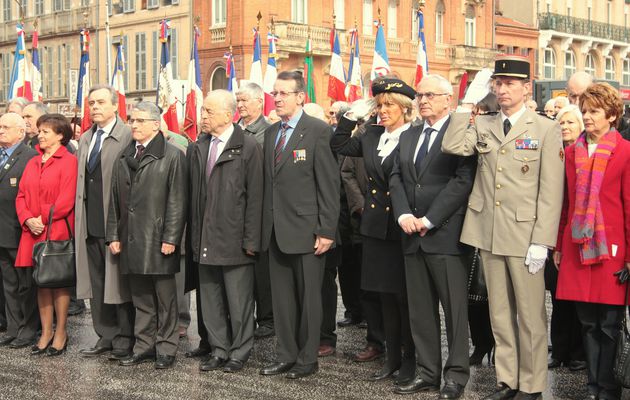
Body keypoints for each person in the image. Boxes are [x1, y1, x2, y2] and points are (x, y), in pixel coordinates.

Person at [442, 55, 565, 400]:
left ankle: (532, 384)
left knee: (529, 316)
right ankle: (508, 380)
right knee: (498, 313)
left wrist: (543, 240)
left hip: (525, 235)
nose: (503, 89)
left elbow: (551, 190)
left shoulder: (545, 128)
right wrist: (467, 102)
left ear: (527, 88)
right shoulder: (484, 123)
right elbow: (452, 145)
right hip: (488, 230)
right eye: (498, 83)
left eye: (510, 83)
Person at [388, 74, 476, 398]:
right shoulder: (410, 135)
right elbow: (396, 176)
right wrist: (403, 215)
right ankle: (427, 372)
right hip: (412, 235)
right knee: (421, 310)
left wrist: (430, 218)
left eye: (430, 95)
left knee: (454, 313)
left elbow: (462, 180)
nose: (422, 100)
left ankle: (456, 377)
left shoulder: (459, 134)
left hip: (446, 236)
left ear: (448, 100)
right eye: (420, 95)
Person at [331, 78, 416, 386]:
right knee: (384, 297)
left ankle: (410, 359)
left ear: (405, 109)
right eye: (379, 105)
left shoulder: (414, 136)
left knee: (404, 298)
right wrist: (351, 117)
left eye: (389, 105)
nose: (382, 111)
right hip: (376, 228)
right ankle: (391, 358)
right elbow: (338, 144)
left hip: (405, 228)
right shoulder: (372, 136)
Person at [259, 71, 339, 379]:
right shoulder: (270, 134)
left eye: (283, 93)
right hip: (276, 231)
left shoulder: (317, 130)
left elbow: (328, 184)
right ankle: (286, 354)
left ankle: (307, 359)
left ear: (300, 97)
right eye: (274, 93)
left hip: (308, 232)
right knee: (282, 302)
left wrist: (326, 230)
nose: (276, 99)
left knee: (309, 300)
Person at [555, 83, 630, 400]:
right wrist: (559, 244)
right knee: (587, 323)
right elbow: (566, 203)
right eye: (584, 111)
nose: (586, 117)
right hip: (577, 246)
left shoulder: (625, 152)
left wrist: (629, 255)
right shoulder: (572, 152)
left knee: (608, 325)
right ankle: (593, 386)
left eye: (593, 112)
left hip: (613, 249)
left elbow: (629, 205)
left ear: (611, 115)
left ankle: (608, 387)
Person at [106, 102, 187, 369]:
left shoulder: (172, 155)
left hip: (157, 237)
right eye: (132, 120)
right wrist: (113, 234)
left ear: (156, 124)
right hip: (131, 238)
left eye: (140, 120)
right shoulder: (124, 155)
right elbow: (115, 200)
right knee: (141, 298)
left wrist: (171, 238)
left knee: (165, 299)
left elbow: (177, 200)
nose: (134, 125)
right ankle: (144, 346)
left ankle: (166, 347)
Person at [188, 90, 263, 373]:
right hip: (205, 238)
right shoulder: (199, 146)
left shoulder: (248, 145)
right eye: (203, 110)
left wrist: (251, 240)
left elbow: (256, 197)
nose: (202, 116)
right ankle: (219, 349)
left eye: (208, 111)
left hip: (234, 240)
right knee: (210, 299)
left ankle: (239, 351)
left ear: (227, 115)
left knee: (239, 300)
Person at [74, 84, 135, 360]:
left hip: (116, 224)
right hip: (89, 222)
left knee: (118, 284)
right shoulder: (87, 138)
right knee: (97, 283)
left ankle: (125, 336)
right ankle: (105, 335)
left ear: (115, 106)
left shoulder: (126, 136)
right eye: (91, 103)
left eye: (100, 102)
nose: (94, 107)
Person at [16, 113, 78, 356]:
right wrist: (27, 219)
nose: (39, 135)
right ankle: (45, 332)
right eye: (39, 130)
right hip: (33, 231)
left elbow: (66, 198)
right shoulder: (33, 161)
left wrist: (40, 218)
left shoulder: (69, 161)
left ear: (60, 135)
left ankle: (61, 331)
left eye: (45, 131)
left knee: (58, 283)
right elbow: (21, 195)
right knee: (40, 282)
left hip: (56, 229)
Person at [545, 104, 586, 372]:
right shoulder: (552, 153)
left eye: (571, 122)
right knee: (558, 297)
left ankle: (578, 353)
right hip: (552, 230)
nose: (566, 127)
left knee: (579, 299)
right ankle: (558, 350)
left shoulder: (583, 154)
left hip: (576, 230)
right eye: (561, 122)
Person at [235, 82, 273, 338]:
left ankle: (268, 319)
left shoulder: (268, 132)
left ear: (260, 102)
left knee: (262, 269)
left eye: (245, 100)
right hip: (236, 205)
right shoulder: (235, 130)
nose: (240, 105)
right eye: (238, 101)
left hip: (260, 205)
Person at [0, 113, 39, 349]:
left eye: (5, 127)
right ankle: (14, 328)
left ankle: (29, 328)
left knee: (26, 284)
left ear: (20, 132)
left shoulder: (30, 157)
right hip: (2, 231)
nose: (1, 131)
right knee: (8, 284)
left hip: (20, 229)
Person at [468, 93, 499, 367]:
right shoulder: (470, 137)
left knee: (497, 297)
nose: (476, 117)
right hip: (471, 222)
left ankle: (498, 346)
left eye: (481, 112)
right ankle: (480, 343)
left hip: (497, 222)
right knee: (473, 296)